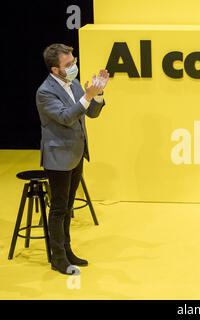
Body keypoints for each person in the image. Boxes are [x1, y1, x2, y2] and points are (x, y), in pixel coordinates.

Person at [36, 44, 109, 274]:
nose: (74, 66)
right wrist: (87, 96)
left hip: (77, 153)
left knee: (68, 207)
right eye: (68, 65)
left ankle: (68, 251)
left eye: (73, 61)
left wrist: (97, 95)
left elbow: (90, 112)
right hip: (58, 157)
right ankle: (58, 258)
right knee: (59, 209)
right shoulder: (45, 92)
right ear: (55, 69)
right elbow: (66, 117)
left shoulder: (74, 83)